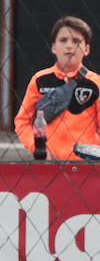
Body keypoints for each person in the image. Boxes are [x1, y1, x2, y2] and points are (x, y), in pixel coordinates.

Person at [14, 16, 100, 161]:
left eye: (76, 41)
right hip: (48, 167)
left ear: (86, 49)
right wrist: (39, 149)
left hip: (86, 167)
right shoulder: (39, 80)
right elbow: (22, 122)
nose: (69, 46)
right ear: (53, 47)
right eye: (63, 40)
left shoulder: (95, 83)